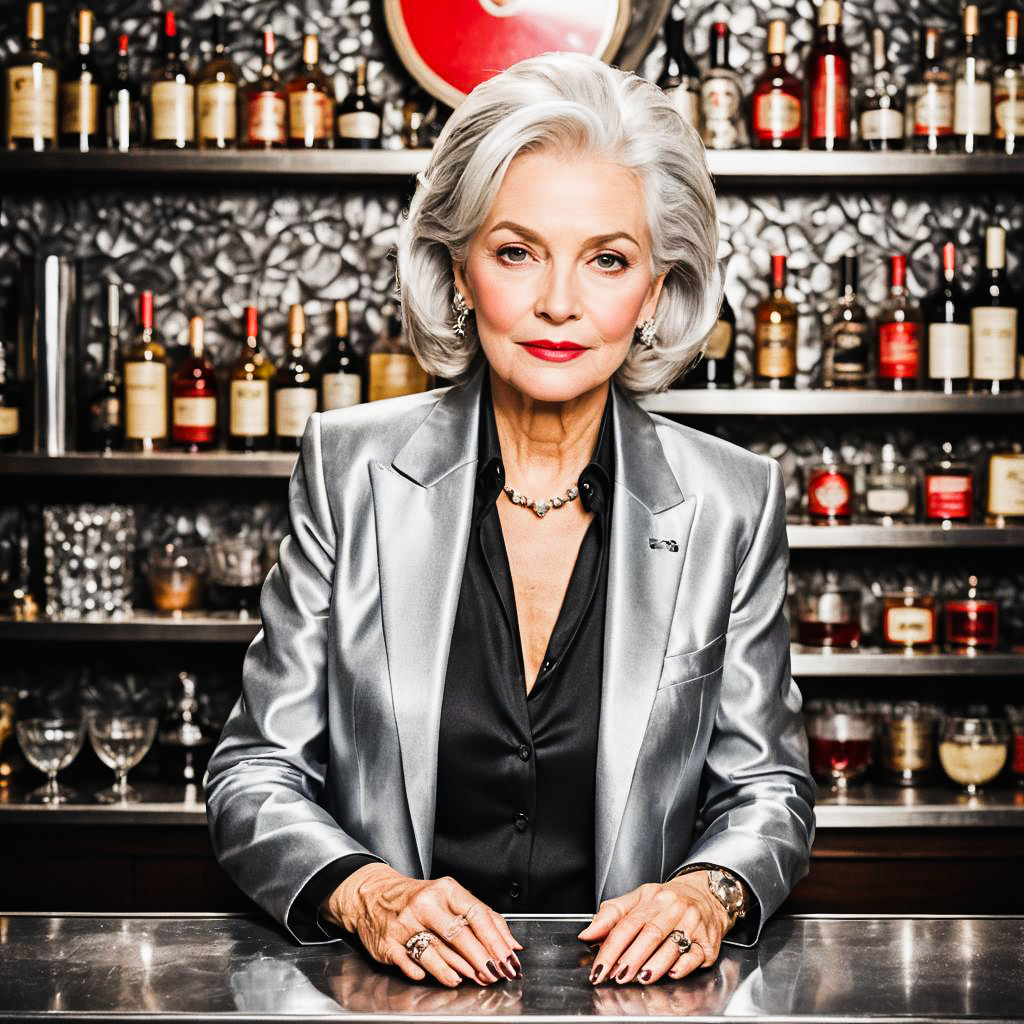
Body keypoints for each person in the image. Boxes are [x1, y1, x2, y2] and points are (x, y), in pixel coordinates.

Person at [206, 51, 814, 990]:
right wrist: (365, 892)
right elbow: (253, 772)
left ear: (655, 291)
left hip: (633, 1008)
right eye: (517, 251)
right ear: (459, 271)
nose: (559, 303)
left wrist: (709, 891)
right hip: (391, 1001)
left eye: (607, 260)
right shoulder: (348, 469)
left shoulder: (734, 500)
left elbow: (768, 791)